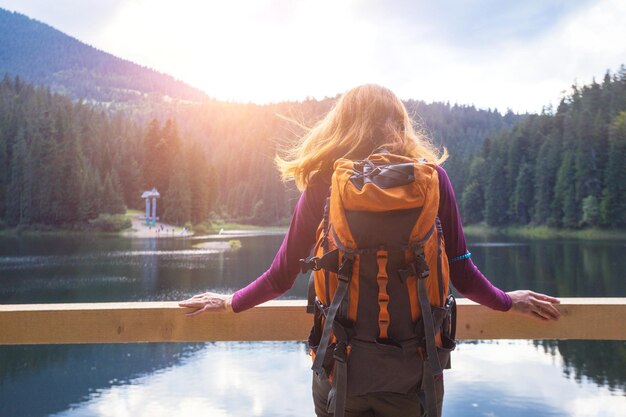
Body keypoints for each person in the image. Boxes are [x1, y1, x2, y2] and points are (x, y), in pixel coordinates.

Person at [179, 84, 561, 417]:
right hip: (415, 377)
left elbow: (282, 275)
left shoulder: (323, 184)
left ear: (341, 124)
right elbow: (462, 272)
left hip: (340, 375)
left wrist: (230, 302)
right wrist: (508, 302)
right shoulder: (433, 180)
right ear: (398, 124)